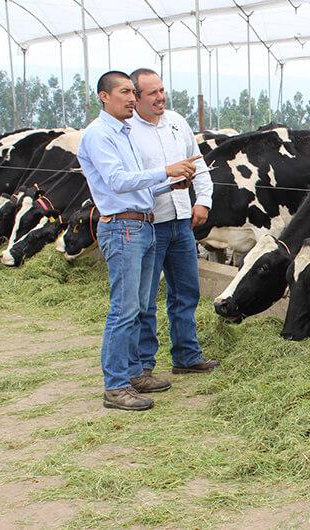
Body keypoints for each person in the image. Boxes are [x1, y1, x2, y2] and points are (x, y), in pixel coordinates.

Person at [77, 70, 200, 411]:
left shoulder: (124, 132)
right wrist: (165, 171)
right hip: (123, 229)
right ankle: (116, 386)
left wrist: (167, 186)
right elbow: (116, 182)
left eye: (133, 92)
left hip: (142, 224)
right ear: (104, 96)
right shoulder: (100, 134)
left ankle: (134, 374)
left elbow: (135, 186)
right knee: (125, 308)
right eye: (124, 92)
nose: (132, 98)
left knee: (140, 306)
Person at [128, 68, 219, 382]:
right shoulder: (128, 132)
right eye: (152, 92)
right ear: (135, 97)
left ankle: (186, 355)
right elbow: (128, 184)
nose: (160, 97)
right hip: (149, 224)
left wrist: (203, 200)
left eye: (162, 90)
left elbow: (199, 165)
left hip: (181, 223)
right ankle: (143, 365)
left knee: (187, 292)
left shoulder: (177, 122)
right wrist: (167, 181)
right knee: (146, 297)